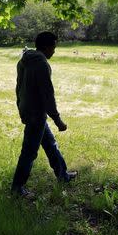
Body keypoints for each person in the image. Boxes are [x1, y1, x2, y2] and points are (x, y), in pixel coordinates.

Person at [11, 31, 77, 198]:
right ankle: (17, 188)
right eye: (53, 47)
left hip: (28, 110)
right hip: (36, 113)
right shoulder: (41, 64)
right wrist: (58, 120)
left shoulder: (24, 60)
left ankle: (63, 175)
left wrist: (21, 107)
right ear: (46, 47)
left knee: (50, 144)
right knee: (29, 151)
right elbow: (47, 94)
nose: (54, 51)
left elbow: (18, 88)